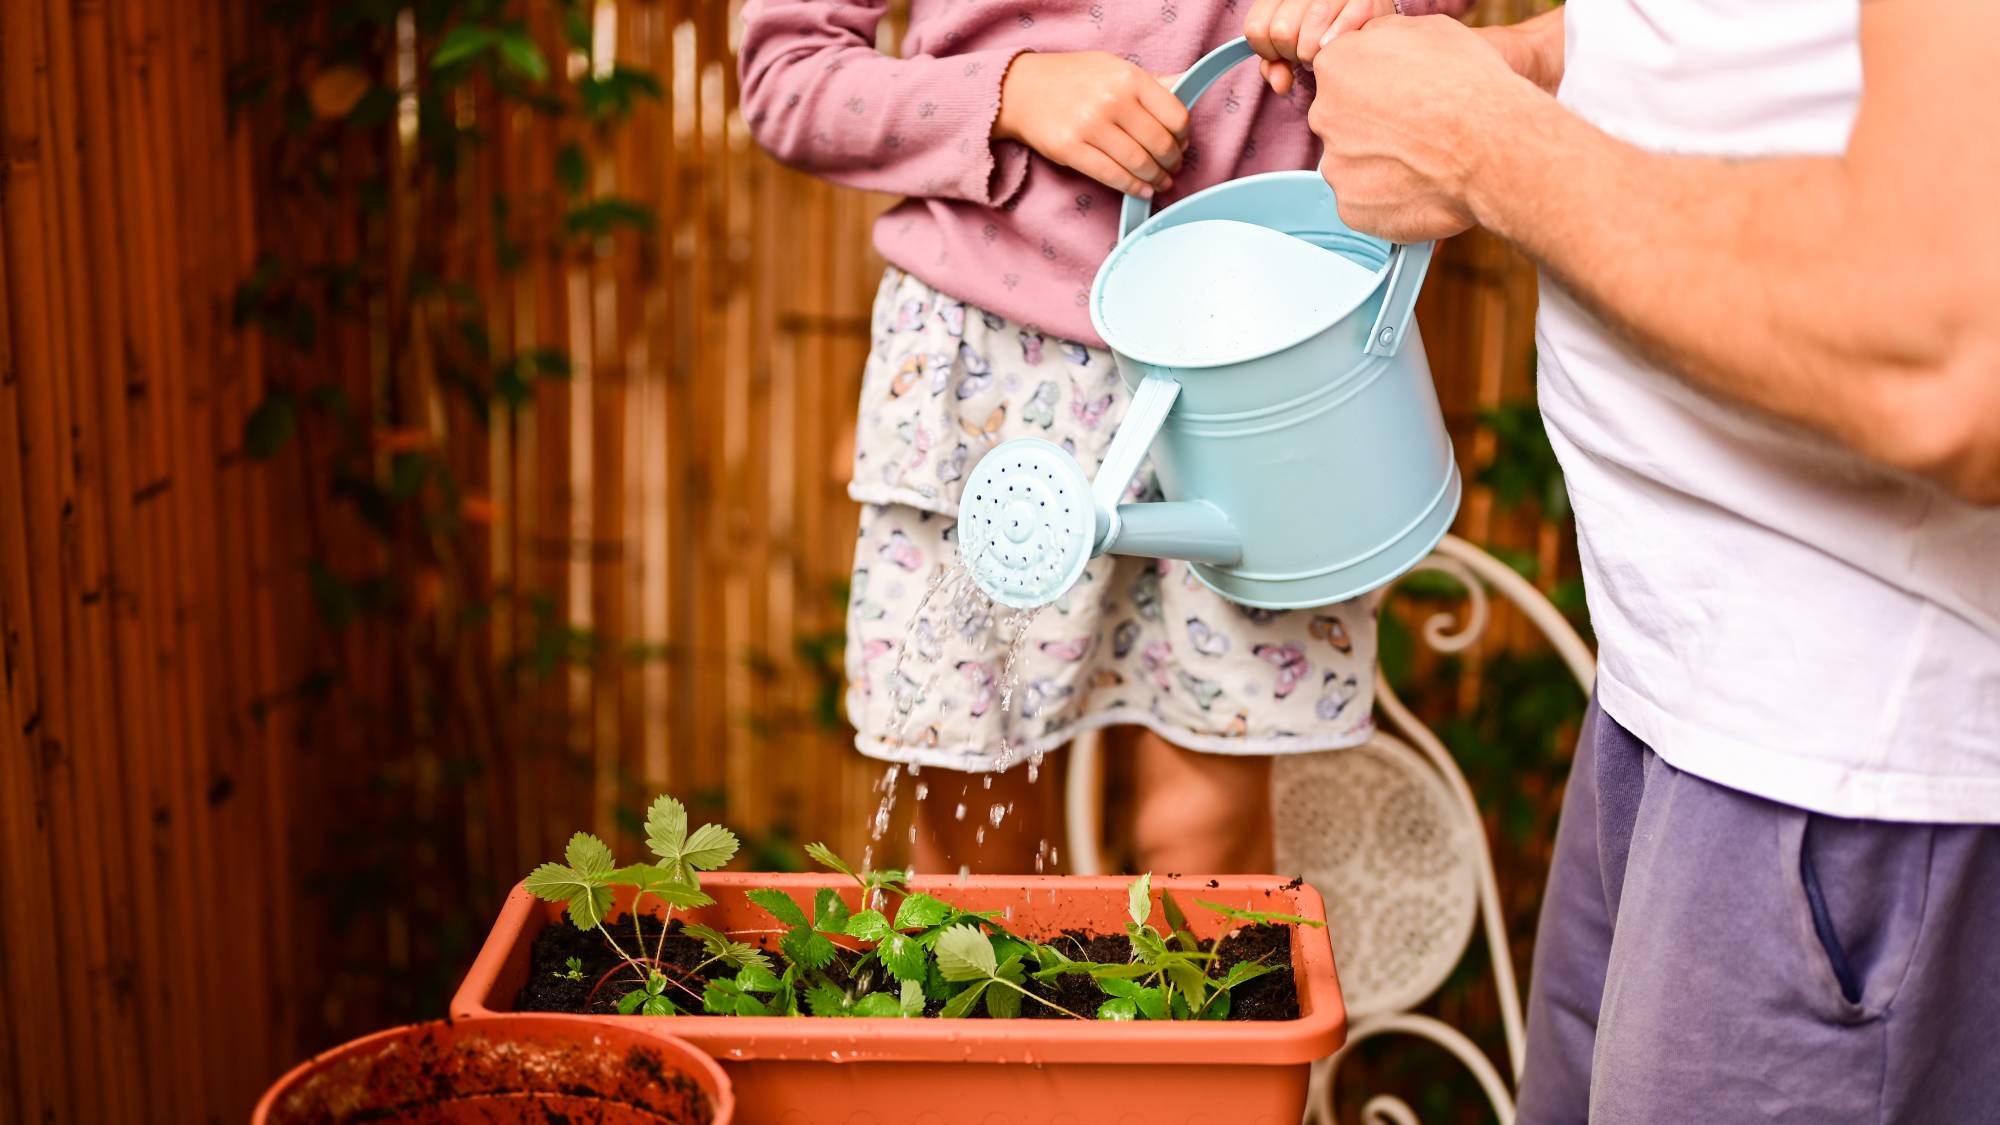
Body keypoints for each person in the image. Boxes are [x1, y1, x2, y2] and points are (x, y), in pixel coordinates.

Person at [1289, 0, 2000, 1119]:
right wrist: (1529, 60)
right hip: (1673, 693)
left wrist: (1479, 143)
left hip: (1842, 772)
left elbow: (1954, 346)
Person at [736, 0, 1469, 877]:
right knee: (976, 843)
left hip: (1259, 345)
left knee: (1208, 852)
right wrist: (1008, 94)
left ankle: (1186, 1024)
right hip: (991, 370)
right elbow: (787, 78)